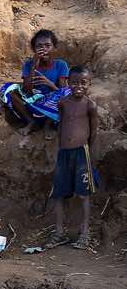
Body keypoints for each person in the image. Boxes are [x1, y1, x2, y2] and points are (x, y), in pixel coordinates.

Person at [44, 65, 98, 250]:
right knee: (59, 194)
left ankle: (85, 233)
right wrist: (60, 147)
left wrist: (88, 153)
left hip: (82, 153)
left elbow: (93, 132)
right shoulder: (63, 103)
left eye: (83, 83)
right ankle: (59, 233)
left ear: (89, 84)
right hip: (64, 154)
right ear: (68, 83)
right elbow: (61, 125)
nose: (79, 86)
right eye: (74, 82)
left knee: (83, 194)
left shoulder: (90, 105)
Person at [0, 29, 71, 139]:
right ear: (34, 49)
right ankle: (31, 122)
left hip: (51, 105)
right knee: (9, 89)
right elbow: (27, 90)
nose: (44, 49)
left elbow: (63, 92)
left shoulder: (61, 65)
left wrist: (49, 84)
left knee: (67, 93)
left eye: (48, 46)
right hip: (33, 102)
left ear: (54, 48)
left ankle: (48, 125)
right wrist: (34, 66)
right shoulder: (29, 64)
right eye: (39, 46)